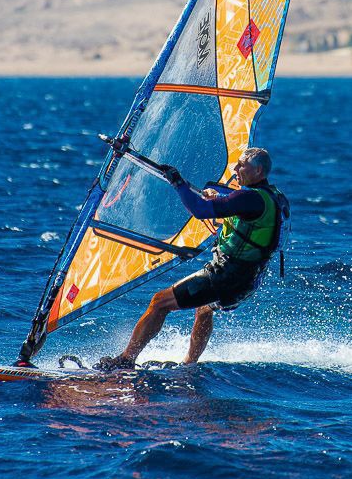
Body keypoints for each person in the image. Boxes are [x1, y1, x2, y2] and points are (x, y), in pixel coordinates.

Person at [94, 147, 288, 371]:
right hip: (249, 280)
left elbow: (200, 210)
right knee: (204, 308)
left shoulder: (249, 198)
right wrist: (220, 199)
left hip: (226, 275)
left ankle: (126, 360)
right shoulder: (273, 196)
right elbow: (249, 214)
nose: (235, 170)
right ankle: (190, 364)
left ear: (259, 170)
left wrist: (178, 183)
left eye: (241, 165)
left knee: (159, 302)